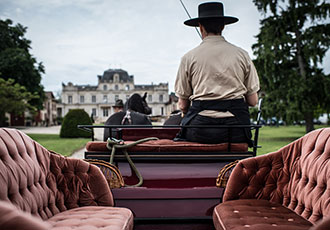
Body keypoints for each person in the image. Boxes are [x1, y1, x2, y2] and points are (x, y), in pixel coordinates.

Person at [174, 2, 260, 145]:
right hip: (236, 129)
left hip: (200, 130)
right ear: (223, 26)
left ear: (201, 27)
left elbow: (183, 105)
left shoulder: (188, 58)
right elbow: (253, 101)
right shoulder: (242, 55)